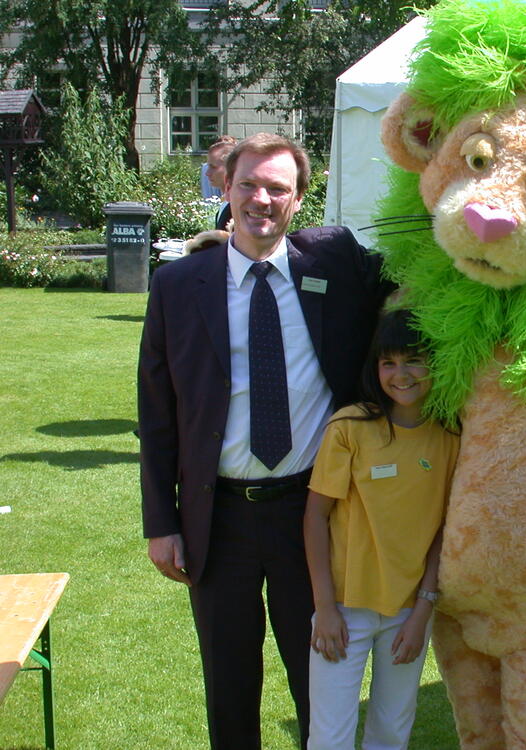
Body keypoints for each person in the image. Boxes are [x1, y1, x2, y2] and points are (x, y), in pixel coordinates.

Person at [138, 132, 393, 750]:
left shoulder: (332, 262)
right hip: (216, 516)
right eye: (248, 184)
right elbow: (158, 413)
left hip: (312, 512)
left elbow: (420, 277)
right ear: (225, 188)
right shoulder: (179, 285)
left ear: (299, 199)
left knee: (321, 680)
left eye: (278, 188)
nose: (261, 199)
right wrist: (161, 522)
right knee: (229, 683)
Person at [304, 308, 459, 750]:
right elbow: (315, 516)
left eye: (413, 360)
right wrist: (325, 608)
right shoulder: (350, 427)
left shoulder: (450, 435)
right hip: (344, 610)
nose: (400, 374)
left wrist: (423, 612)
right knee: (330, 737)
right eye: (388, 362)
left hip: (409, 613)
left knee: (392, 732)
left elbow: (442, 531)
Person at [203, 135, 238, 229]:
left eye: (213, 167)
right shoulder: (227, 202)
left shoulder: (238, 206)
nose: (207, 173)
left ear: (230, 168)